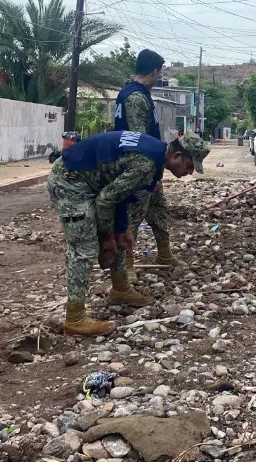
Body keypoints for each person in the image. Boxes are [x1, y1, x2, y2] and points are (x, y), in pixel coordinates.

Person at [48, 130, 209, 336]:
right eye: (189, 166)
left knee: (120, 237)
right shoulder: (146, 164)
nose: (190, 172)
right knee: (84, 246)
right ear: (176, 156)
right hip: (70, 181)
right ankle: (75, 318)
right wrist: (107, 237)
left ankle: (120, 288)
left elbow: (120, 195)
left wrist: (122, 228)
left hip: (91, 182)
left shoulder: (155, 154)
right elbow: (106, 200)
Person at [113, 49, 179, 281]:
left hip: (149, 167)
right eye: (159, 73)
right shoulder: (135, 97)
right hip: (137, 167)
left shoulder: (140, 94)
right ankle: (126, 265)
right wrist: (149, 175)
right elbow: (139, 139)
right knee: (133, 216)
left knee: (159, 209)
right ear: (154, 72)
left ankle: (164, 253)